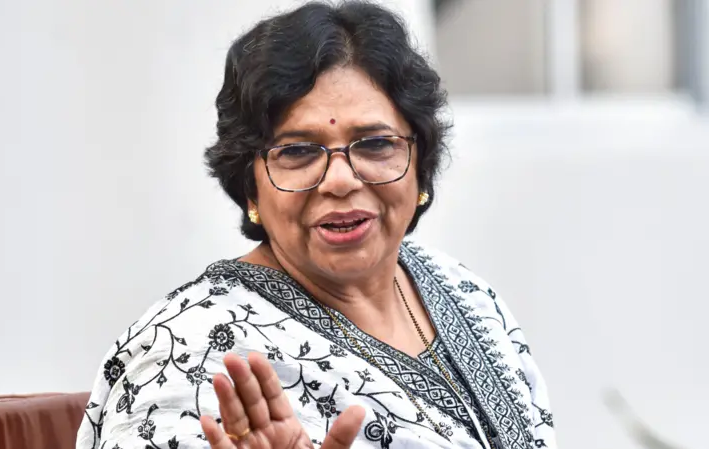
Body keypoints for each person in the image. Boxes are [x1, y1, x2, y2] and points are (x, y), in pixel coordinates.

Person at [75, 2, 556, 449]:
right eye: (298, 151)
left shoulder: (467, 296)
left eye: (375, 143)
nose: (341, 180)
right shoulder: (191, 352)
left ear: (420, 165)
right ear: (250, 186)